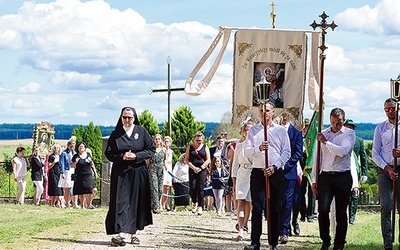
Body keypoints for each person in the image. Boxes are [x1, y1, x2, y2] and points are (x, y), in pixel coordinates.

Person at [105, 107, 155, 247]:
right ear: (121, 118)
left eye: (129, 117)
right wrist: (121, 156)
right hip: (121, 172)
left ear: (134, 118)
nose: (127, 120)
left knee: (136, 201)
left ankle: (134, 234)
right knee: (120, 201)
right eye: (124, 117)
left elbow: (151, 149)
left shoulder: (141, 132)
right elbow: (109, 154)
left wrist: (136, 156)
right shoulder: (116, 134)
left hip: (138, 171)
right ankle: (120, 234)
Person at [244, 101, 291, 250]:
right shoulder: (253, 131)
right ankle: (255, 242)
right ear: (259, 113)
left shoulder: (281, 131)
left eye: (268, 110)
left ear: (273, 112)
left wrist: (275, 166)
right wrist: (258, 148)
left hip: (275, 172)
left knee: (274, 208)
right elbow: (247, 152)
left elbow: (286, 152)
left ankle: (273, 242)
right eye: (262, 111)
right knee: (257, 208)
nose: (265, 113)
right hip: (258, 172)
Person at [311, 108, 355, 250]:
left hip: (343, 175)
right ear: (330, 120)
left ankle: (339, 243)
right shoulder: (323, 134)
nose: (336, 125)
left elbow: (343, 151)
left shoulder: (349, 134)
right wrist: (314, 179)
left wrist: (326, 142)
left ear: (344, 120)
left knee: (341, 212)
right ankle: (325, 239)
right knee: (323, 210)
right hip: (326, 176)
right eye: (333, 122)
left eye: (339, 122)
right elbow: (318, 158)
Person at [372, 98, 400, 250]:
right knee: (386, 206)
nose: (390, 111)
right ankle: (387, 243)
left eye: (392, 108)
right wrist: (388, 169)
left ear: (398, 108)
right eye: (387, 109)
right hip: (385, 170)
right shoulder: (380, 128)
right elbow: (375, 153)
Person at [278, 112, 303, 244]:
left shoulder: (296, 131)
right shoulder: (275, 129)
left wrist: (286, 165)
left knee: (288, 202)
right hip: (275, 170)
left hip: (290, 171)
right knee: (277, 201)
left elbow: (299, 151)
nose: (285, 116)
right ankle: (276, 229)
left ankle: (284, 231)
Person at [343, 118, 369, 224]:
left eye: (351, 128)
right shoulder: (340, 139)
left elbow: (363, 158)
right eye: (347, 127)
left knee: (354, 194)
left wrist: (364, 173)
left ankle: (352, 217)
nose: (349, 129)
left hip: (355, 171)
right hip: (343, 169)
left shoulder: (359, 141)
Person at [231, 119, 253, 241]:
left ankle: (245, 224)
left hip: (253, 174)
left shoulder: (256, 145)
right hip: (242, 175)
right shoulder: (238, 146)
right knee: (241, 201)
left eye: (249, 130)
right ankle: (240, 228)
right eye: (245, 130)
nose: (247, 133)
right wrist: (234, 181)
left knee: (250, 202)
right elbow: (235, 165)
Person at [184, 131, 211, 216]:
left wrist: (202, 167)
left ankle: (200, 206)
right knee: (192, 187)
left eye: (200, 140)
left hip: (202, 169)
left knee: (200, 187)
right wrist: (194, 168)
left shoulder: (205, 147)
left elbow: (208, 159)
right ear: (194, 140)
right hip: (193, 168)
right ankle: (194, 202)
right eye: (197, 140)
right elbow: (186, 160)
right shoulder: (190, 147)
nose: (199, 142)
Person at [70, 142, 97, 209]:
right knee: (81, 191)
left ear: (85, 148)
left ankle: (88, 204)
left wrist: (95, 172)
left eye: (82, 146)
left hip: (88, 175)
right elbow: (71, 166)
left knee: (91, 189)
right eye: (80, 146)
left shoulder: (88, 155)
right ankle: (82, 206)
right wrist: (75, 162)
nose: (81, 148)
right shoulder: (75, 156)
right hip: (79, 175)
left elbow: (92, 164)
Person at [148, 134, 164, 214]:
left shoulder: (163, 149)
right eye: (156, 139)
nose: (157, 141)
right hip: (152, 168)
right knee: (154, 187)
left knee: (160, 189)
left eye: (159, 139)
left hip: (160, 169)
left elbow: (165, 160)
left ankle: (152, 204)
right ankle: (156, 207)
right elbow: (148, 160)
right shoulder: (152, 149)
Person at [59, 137, 77, 208]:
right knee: (67, 188)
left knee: (73, 187)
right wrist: (62, 172)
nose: (71, 148)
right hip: (67, 171)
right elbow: (62, 163)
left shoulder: (74, 153)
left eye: (73, 146)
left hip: (73, 171)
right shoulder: (64, 153)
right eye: (70, 146)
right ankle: (67, 203)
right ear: (68, 145)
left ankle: (73, 202)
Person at [162, 136, 174, 211]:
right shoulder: (162, 150)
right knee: (162, 186)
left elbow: (171, 162)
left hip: (169, 169)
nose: (166, 142)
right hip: (163, 168)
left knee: (167, 187)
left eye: (168, 141)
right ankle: (161, 204)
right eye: (165, 141)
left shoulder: (171, 151)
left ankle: (166, 204)